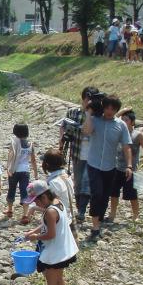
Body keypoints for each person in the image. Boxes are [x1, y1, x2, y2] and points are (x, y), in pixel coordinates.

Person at [23, 180, 79, 285]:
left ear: (44, 196)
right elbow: (47, 224)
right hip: (66, 248)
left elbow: (50, 234)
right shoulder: (57, 203)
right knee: (59, 278)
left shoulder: (50, 211)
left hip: (56, 252)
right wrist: (33, 230)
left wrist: (35, 236)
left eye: (37, 201)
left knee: (51, 281)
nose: (36, 205)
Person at [82, 94, 133, 242]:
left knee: (105, 196)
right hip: (93, 164)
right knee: (96, 193)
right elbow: (86, 131)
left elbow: (126, 146)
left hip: (110, 166)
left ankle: (99, 220)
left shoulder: (120, 125)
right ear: (103, 107)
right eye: (107, 107)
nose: (109, 111)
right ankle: (95, 226)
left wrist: (129, 165)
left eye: (113, 108)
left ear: (117, 109)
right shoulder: (95, 120)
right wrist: (89, 113)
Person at [108, 110, 143, 222]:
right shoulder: (118, 132)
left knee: (132, 194)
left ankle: (136, 214)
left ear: (132, 122)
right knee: (114, 192)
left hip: (131, 169)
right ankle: (112, 213)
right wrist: (123, 110)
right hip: (116, 167)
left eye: (126, 120)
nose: (123, 122)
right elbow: (113, 119)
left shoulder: (137, 135)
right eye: (122, 120)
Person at [59, 87, 94, 223]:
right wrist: (61, 144)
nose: (89, 103)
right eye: (87, 100)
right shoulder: (73, 112)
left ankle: (82, 211)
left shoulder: (98, 115)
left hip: (93, 156)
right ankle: (80, 207)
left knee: (87, 182)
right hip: (77, 152)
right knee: (78, 183)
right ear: (83, 99)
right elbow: (63, 127)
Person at [5, 123, 38, 224]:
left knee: (12, 189)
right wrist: (35, 172)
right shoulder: (30, 144)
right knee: (24, 191)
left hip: (14, 170)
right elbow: (33, 160)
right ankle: (25, 214)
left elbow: (10, 156)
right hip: (25, 171)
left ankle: (10, 210)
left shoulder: (14, 143)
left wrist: (8, 168)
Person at [42, 149, 77, 237]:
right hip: (68, 215)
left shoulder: (54, 182)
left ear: (47, 165)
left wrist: (33, 208)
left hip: (59, 219)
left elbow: (50, 205)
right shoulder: (67, 177)